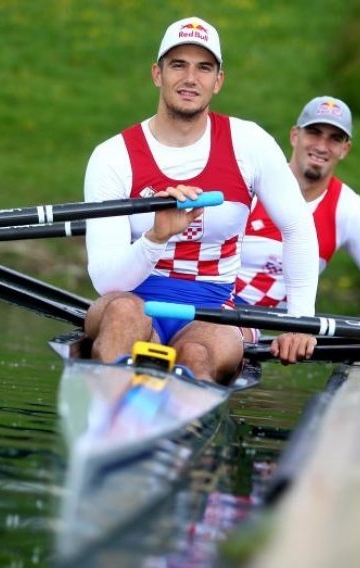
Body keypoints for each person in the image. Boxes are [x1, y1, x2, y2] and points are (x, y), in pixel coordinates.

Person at [82, 16, 320, 382]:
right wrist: (156, 237)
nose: (190, 78)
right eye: (178, 65)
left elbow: (299, 228)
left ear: (218, 81)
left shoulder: (249, 144)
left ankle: (171, 419)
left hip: (214, 310)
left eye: (204, 68)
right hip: (132, 298)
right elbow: (105, 281)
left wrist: (300, 320)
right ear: (157, 74)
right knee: (122, 317)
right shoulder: (113, 157)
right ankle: (110, 418)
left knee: (195, 355)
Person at [235, 95, 360, 325]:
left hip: (264, 335)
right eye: (314, 133)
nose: (322, 146)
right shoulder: (253, 184)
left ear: (345, 149)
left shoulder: (350, 210)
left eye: (334, 139)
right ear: (295, 136)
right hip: (219, 311)